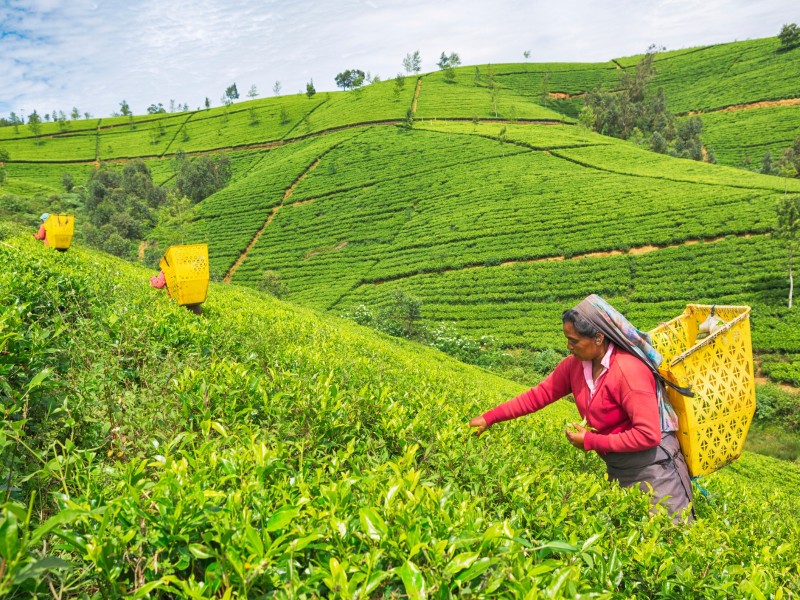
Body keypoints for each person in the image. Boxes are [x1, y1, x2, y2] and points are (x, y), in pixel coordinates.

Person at [469, 294, 694, 524]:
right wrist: (490, 418)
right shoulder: (574, 367)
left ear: (598, 337)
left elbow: (648, 435)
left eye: (574, 340)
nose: (568, 347)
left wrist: (590, 441)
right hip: (618, 466)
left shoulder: (628, 372)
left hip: (655, 471)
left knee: (669, 534)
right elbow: (538, 395)